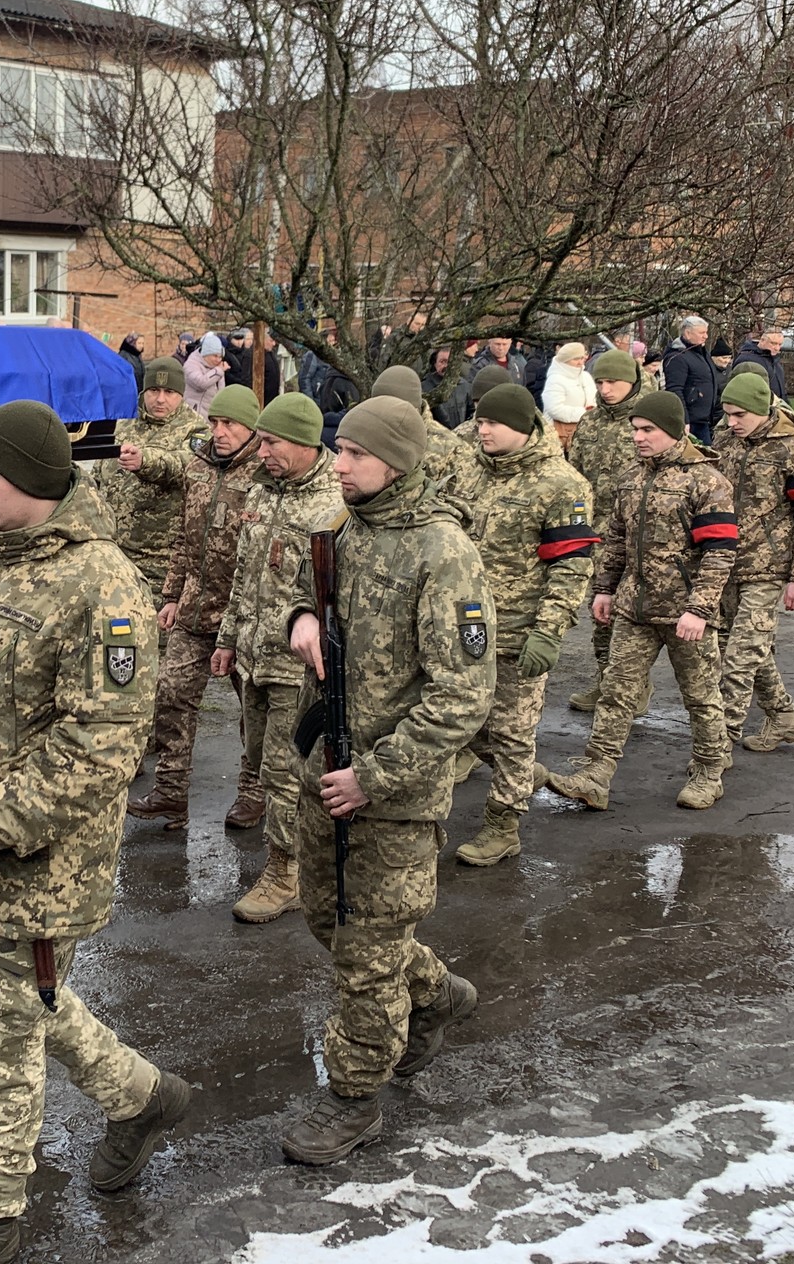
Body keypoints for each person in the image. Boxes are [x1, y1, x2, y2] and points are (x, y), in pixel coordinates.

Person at [0, 400, 189, 1264]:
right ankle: (143, 1097)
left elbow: (102, 745)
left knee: (0, 1034)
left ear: (33, 479)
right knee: (27, 1000)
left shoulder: (103, 584)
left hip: (44, 854)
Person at [279, 394, 492, 1165]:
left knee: (366, 954)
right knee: (329, 924)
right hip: (325, 771)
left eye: (355, 454)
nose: (338, 464)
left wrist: (374, 777)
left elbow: (463, 694)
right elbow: (307, 590)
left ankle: (354, 1099)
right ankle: (433, 991)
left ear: (396, 463)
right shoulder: (344, 527)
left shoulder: (443, 551)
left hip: (391, 795)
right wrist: (302, 616)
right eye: (338, 449)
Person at [546, 390, 738, 812]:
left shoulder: (707, 482)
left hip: (686, 613)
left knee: (701, 696)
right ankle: (595, 775)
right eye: (635, 429)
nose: (638, 437)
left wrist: (699, 608)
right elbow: (616, 539)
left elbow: (720, 552)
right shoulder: (632, 477)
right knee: (616, 692)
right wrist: (605, 588)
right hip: (635, 607)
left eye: (648, 429)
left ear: (673, 430)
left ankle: (709, 771)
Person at [213, 392, 345, 915]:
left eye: (271, 442)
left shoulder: (336, 503)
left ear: (304, 442)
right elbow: (244, 575)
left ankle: (285, 873)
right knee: (260, 761)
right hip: (253, 659)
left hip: (298, 668)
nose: (261, 451)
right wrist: (228, 640)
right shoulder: (263, 490)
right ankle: (302, 855)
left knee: (287, 771)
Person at [456, 384, 596, 865]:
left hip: (519, 630)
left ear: (520, 427)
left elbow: (572, 566)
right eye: (479, 421)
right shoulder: (469, 469)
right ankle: (519, 774)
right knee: (463, 723)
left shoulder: (562, 484)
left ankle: (503, 824)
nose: (482, 430)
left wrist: (549, 629)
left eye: (493, 422)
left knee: (512, 732)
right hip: (462, 626)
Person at [129, 385, 262, 829]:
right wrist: (171, 595)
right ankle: (170, 793)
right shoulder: (198, 466)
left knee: (254, 712)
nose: (219, 432)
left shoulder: (264, 475)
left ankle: (254, 792)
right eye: (215, 422)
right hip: (194, 608)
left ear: (251, 428)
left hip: (244, 615)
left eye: (230, 424)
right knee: (171, 694)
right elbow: (183, 538)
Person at [711, 369, 794, 756]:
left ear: (762, 409)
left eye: (740, 415)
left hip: (770, 566)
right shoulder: (724, 439)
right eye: (728, 414)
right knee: (743, 646)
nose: (732, 422)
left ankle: (717, 747)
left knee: (740, 658)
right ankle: (783, 716)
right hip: (727, 561)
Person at [565, 349, 649, 713]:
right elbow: (574, 474)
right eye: (599, 382)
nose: (606, 389)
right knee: (601, 611)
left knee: (633, 616)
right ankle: (607, 680)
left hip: (637, 532)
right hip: (596, 533)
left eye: (613, 382)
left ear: (631, 381)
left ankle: (633, 687)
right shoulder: (591, 422)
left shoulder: (647, 421)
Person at [94, 358, 206, 602]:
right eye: (154, 390)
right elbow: (98, 474)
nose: (160, 399)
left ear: (181, 394)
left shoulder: (196, 430)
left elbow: (185, 466)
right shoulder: (123, 422)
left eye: (169, 392)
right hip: (112, 554)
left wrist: (145, 461)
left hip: (159, 562)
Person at [372, 364, 479, 499]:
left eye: (391, 408)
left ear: (413, 407)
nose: (383, 413)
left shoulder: (452, 449)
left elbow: (462, 501)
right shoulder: (363, 437)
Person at [661, 317, 719, 444]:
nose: (706, 336)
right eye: (701, 333)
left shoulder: (701, 353)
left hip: (705, 419)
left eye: (706, 332)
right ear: (687, 333)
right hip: (691, 423)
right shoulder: (677, 357)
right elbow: (675, 390)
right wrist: (684, 419)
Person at [541, 343, 596, 452]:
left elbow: (594, 399)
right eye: (575, 359)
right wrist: (585, 413)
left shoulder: (586, 377)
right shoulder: (555, 379)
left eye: (582, 358)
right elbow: (554, 409)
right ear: (565, 360)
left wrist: (593, 409)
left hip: (585, 432)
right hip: (559, 436)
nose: (580, 362)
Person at [730, 329, 790, 402]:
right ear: (762, 340)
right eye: (773, 343)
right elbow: (746, 393)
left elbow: (782, 392)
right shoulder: (748, 360)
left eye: (780, 344)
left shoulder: (775, 362)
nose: (777, 348)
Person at [185, 332, 228, 416]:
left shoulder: (217, 368)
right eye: (215, 356)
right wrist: (218, 371)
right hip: (194, 414)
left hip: (212, 414)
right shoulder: (191, 364)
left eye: (220, 357)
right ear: (205, 354)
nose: (218, 360)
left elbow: (221, 392)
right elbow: (201, 383)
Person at [117, 333, 146, 397]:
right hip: (128, 393)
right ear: (132, 343)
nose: (141, 346)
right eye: (139, 343)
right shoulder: (123, 356)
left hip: (138, 392)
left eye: (143, 343)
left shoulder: (137, 355)